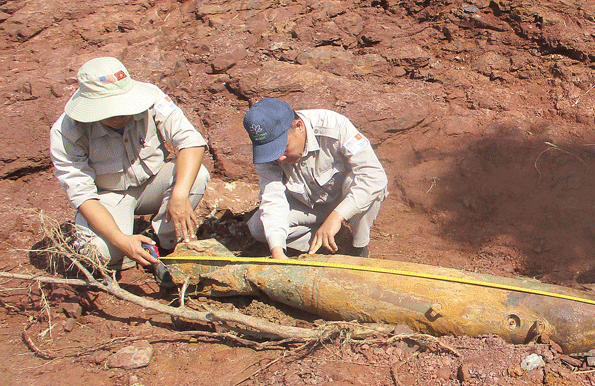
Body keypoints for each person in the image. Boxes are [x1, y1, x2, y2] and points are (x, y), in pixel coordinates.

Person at [50, 57, 210, 271]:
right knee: (99, 255)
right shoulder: (66, 132)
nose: (121, 114)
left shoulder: (152, 99)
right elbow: (83, 195)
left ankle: (165, 241)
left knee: (197, 175)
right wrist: (120, 241)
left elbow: (191, 141)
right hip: (107, 197)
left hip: (153, 182)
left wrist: (179, 195)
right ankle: (124, 245)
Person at [243, 98, 388, 259]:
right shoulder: (266, 150)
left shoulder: (335, 126)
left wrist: (337, 216)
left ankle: (358, 247)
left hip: (343, 199)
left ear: (298, 126)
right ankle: (329, 242)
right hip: (308, 206)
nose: (279, 158)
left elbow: (374, 175)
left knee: (370, 187)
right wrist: (277, 251)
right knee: (260, 228)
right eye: (272, 151)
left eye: (282, 148)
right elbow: (273, 198)